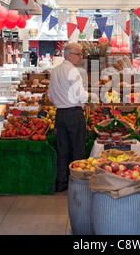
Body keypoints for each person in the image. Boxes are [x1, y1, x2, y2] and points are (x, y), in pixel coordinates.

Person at [48, 42, 88, 192]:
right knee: (78, 150)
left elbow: (50, 95)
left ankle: (61, 183)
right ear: (69, 55)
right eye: (79, 54)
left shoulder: (55, 71)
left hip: (60, 114)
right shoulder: (73, 71)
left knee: (63, 150)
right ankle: (78, 184)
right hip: (74, 114)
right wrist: (90, 96)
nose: (81, 57)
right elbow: (81, 96)